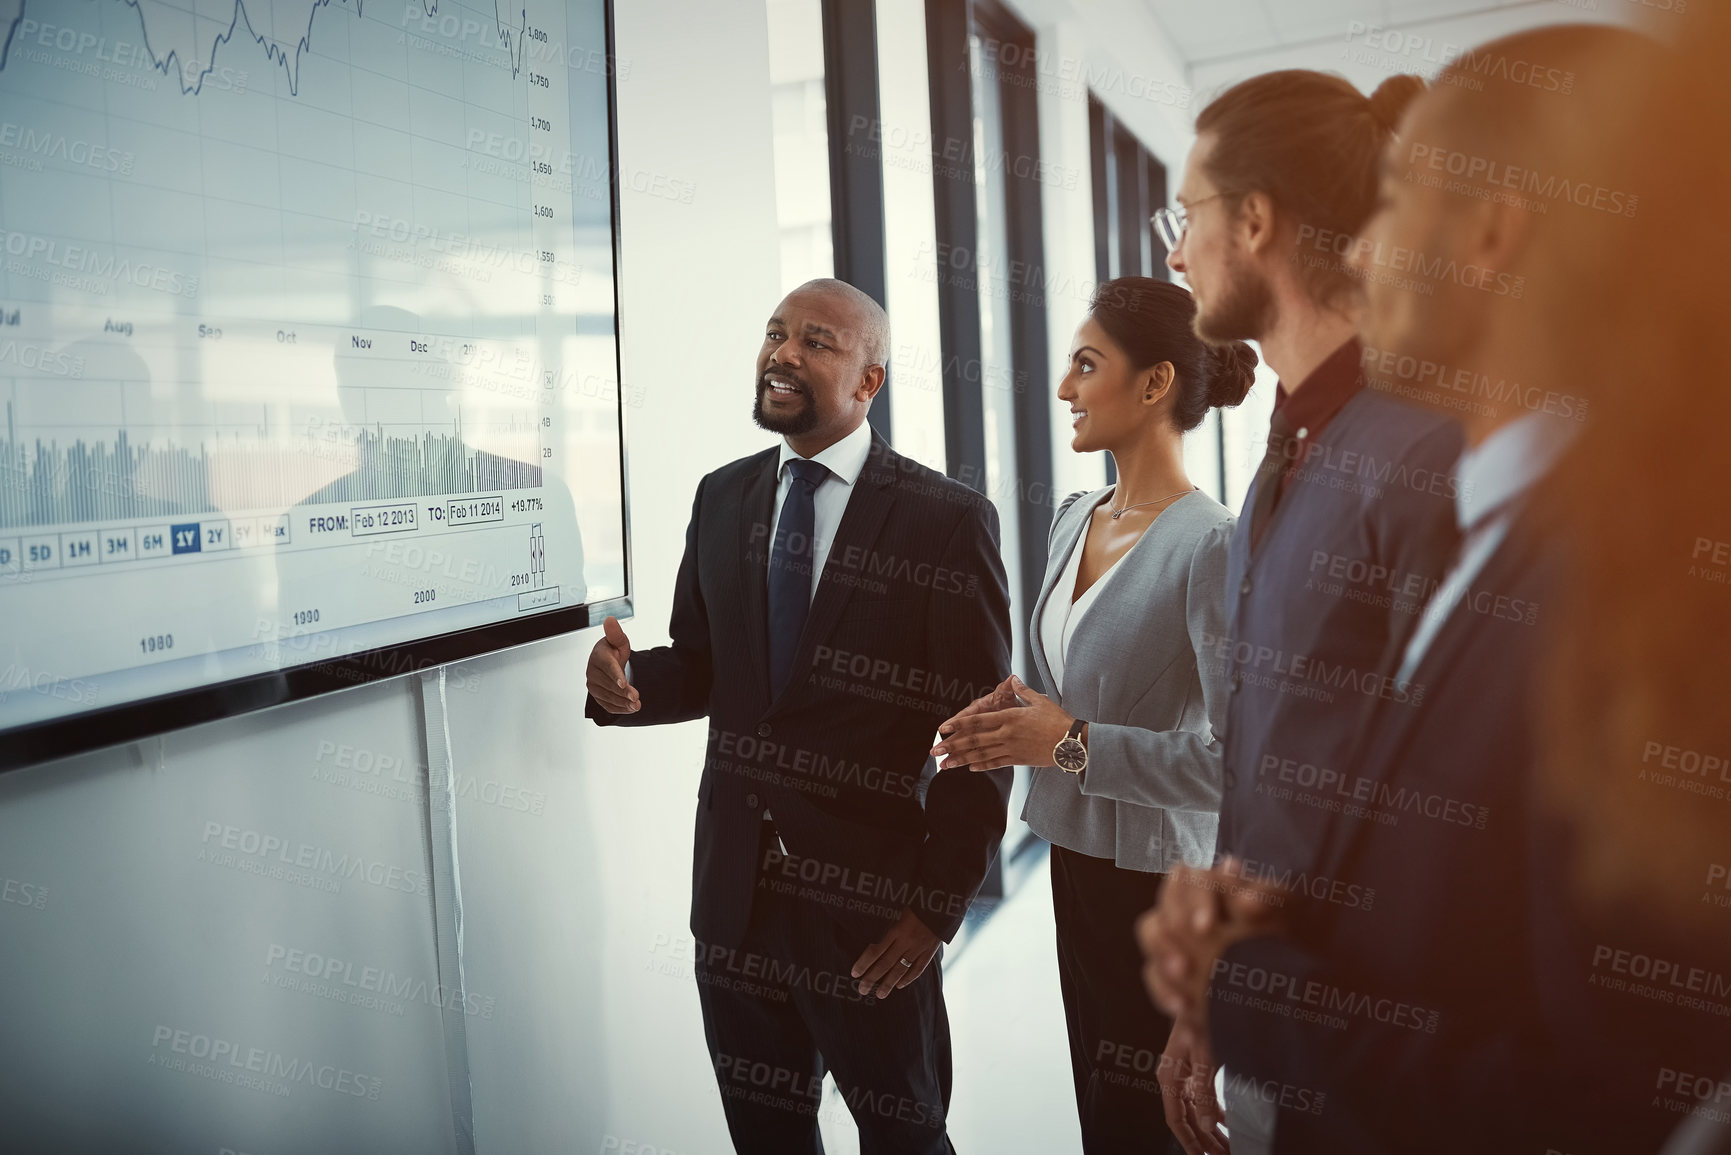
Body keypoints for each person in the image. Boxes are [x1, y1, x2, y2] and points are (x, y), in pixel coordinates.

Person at [1140, 25, 1705, 1154]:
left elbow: (1595, 1081)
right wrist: (1242, 957)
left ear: (1491, 233)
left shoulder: (1596, 574)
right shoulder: (1295, 472)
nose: (1366, 247)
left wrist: (1256, 994)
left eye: (1395, 202)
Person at [584, 278, 1012, 1154]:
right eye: (776, 333)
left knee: (906, 1139)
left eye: (816, 341)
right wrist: (625, 687)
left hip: (869, 916)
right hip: (734, 902)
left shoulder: (944, 521)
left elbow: (980, 735)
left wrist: (934, 907)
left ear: (869, 381)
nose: (783, 352)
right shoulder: (723, 497)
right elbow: (705, 664)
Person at [1143, 68, 1462, 1153]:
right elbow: (1272, 747)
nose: (1175, 253)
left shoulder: (1423, 453)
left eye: (1185, 215)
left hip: (1388, 1057)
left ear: (1257, 219)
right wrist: (1214, 1004)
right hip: (1283, 1014)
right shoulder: (1290, 451)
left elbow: (1464, 817)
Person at [930, 277, 1253, 1153]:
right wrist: (1004, 717)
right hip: (1074, 859)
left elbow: (1234, 763)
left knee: (1151, 1124)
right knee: (1103, 1116)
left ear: (1153, 385)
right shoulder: (1075, 518)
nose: (1065, 389)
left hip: (1159, 879)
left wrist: (1067, 742)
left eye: (1084, 365)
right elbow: (1059, 687)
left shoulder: (1210, 542)